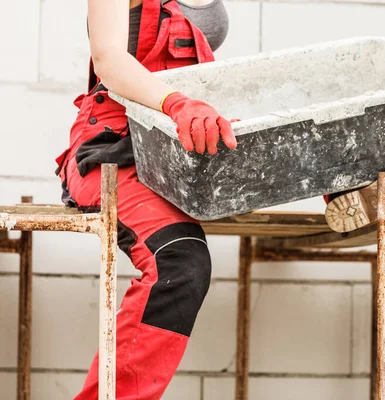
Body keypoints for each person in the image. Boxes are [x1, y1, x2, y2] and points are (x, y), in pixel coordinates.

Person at [54, 0, 236, 398]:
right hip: (115, 147)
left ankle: (361, 191)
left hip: (182, 147)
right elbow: (108, 56)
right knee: (179, 259)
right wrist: (177, 103)